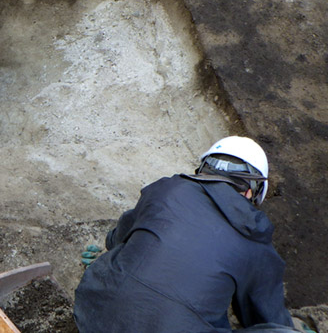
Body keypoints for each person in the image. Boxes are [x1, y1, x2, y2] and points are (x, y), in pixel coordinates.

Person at [73, 136, 301, 332]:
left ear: (204, 169)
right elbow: (263, 315)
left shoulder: (166, 189)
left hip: (93, 315)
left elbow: (122, 233)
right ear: (252, 190)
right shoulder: (253, 237)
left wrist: (109, 254)